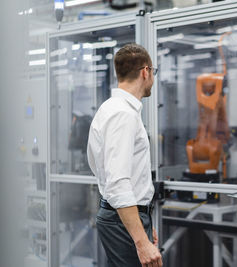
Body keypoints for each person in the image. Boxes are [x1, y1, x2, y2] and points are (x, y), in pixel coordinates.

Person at [87, 43, 162, 267]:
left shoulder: (113, 108)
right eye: (153, 72)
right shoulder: (123, 114)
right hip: (121, 218)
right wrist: (141, 241)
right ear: (145, 72)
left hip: (125, 217)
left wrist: (142, 222)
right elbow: (118, 182)